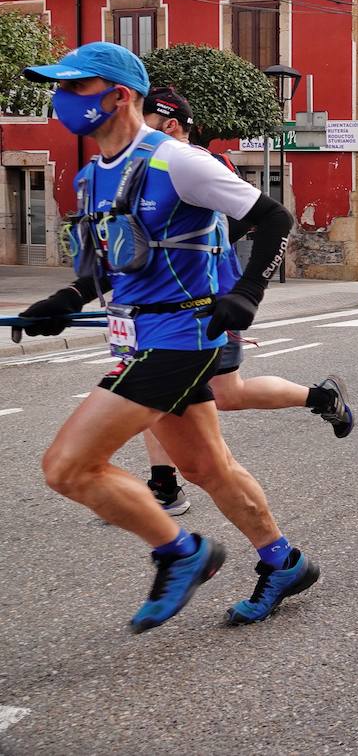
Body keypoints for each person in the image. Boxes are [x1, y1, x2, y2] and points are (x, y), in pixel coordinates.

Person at [18, 42, 317, 631]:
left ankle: (181, 552)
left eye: (73, 87)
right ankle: (283, 561)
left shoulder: (177, 160)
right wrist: (68, 299)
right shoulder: (91, 176)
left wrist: (248, 293)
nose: (60, 100)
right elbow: (109, 262)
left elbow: (274, 218)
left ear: (119, 95)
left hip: (182, 335)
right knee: (207, 467)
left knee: (68, 467)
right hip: (138, 335)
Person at [139, 88, 352, 516]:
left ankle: (320, 399)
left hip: (209, 301)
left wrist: (235, 284)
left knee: (222, 395)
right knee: (155, 390)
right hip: (160, 307)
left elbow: (263, 219)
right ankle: (164, 484)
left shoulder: (197, 164)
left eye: (140, 121)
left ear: (170, 124)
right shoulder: (138, 167)